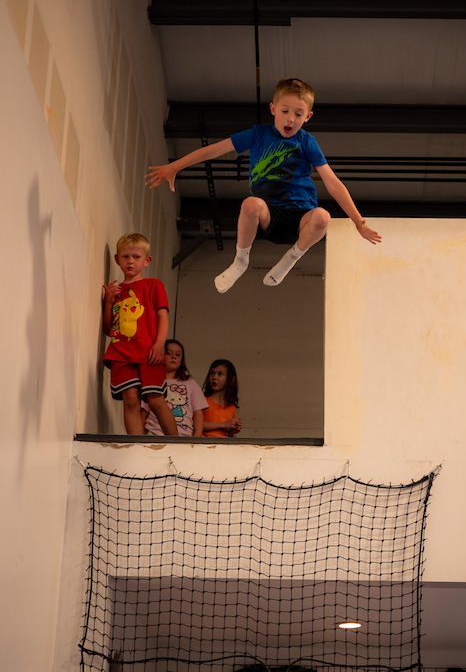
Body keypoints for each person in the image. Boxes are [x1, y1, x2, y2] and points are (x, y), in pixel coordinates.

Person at [146, 77, 381, 293]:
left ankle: (291, 258)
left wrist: (357, 220)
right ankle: (240, 261)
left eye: (299, 114)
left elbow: (332, 182)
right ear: (273, 109)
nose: (291, 118)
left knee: (323, 217)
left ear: (308, 116)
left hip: (301, 219)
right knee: (250, 205)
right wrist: (175, 166)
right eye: (285, 111)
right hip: (269, 214)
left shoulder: (307, 142)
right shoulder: (257, 134)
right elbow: (214, 150)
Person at [102, 233, 178, 436]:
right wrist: (108, 302)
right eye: (126, 256)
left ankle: (179, 445)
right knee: (130, 399)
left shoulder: (154, 285)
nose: (131, 261)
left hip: (149, 352)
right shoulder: (116, 291)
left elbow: (163, 316)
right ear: (117, 259)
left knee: (155, 399)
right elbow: (109, 329)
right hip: (121, 353)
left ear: (147, 260)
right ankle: (136, 446)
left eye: (136, 256)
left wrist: (160, 343)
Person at [141, 339, 208, 437]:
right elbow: (144, 412)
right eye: (168, 353)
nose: (173, 357)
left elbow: (197, 412)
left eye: (177, 355)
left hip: (184, 435)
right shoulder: (153, 382)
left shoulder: (191, 383)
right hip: (154, 433)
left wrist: (197, 435)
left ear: (182, 360)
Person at [202, 359, 242, 438]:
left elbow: (232, 437)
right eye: (212, 373)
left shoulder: (233, 407)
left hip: (224, 447)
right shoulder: (202, 400)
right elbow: (197, 424)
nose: (215, 377)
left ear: (231, 379)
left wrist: (232, 432)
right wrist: (224, 424)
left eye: (220, 374)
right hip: (204, 446)